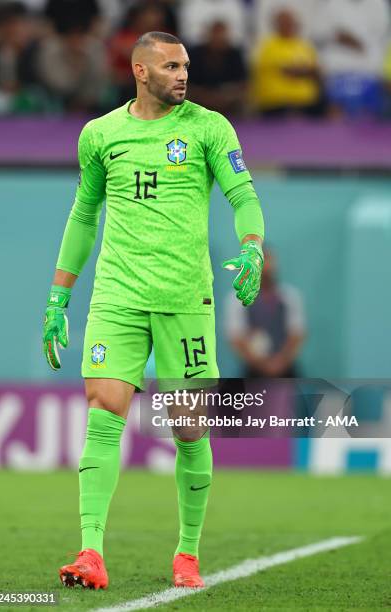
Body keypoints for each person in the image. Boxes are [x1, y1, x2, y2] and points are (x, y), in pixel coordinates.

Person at [42, 31, 264, 590]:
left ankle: (187, 553)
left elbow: (243, 195)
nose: (183, 74)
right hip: (117, 297)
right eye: (171, 66)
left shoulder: (209, 128)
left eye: (185, 65)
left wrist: (252, 246)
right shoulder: (101, 135)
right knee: (103, 408)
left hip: (185, 298)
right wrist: (57, 297)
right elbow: (83, 217)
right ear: (141, 72)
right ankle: (90, 550)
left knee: (188, 429)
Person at [225, 247, 305, 378]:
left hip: (286, 369)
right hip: (253, 370)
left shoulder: (290, 297)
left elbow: (297, 334)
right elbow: (236, 338)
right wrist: (262, 365)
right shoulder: (236, 300)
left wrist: (280, 362)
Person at [249, 8, 323, 117]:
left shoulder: (304, 45)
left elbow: (317, 71)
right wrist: (305, 71)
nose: (289, 25)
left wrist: (304, 71)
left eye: (291, 22)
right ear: (276, 25)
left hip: (307, 103)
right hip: (277, 103)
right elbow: (288, 71)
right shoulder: (268, 46)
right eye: (285, 22)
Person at [188, 21, 247, 116]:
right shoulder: (195, 54)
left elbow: (242, 84)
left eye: (222, 35)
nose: (218, 39)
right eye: (216, 34)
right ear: (208, 35)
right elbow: (188, 84)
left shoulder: (235, 54)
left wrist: (225, 97)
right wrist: (207, 97)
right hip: (199, 102)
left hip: (229, 103)